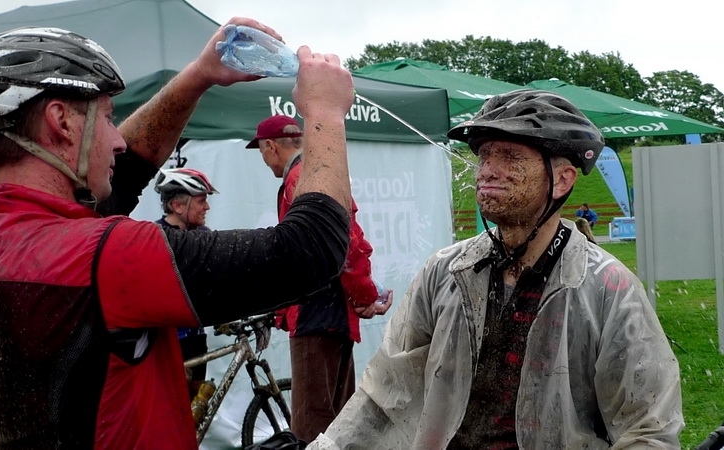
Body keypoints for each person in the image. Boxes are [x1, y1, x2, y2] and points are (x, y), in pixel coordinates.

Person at [0, 21, 357, 449]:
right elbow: (310, 248)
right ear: (61, 121)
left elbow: (125, 172)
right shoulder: (109, 257)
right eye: (107, 117)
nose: (118, 141)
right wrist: (324, 113)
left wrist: (199, 76)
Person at [308, 90, 683, 449]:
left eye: (510, 157)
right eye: (485, 155)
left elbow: (648, 430)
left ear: (563, 180)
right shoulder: (445, 272)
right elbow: (383, 394)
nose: (487, 170)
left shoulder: (606, 287)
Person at [248, 114, 393, 442]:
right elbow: (351, 243)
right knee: (339, 420)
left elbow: (347, 247)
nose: (264, 160)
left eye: (261, 152)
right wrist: (365, 296)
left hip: (316, 315)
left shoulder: (299, 178)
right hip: (331, 314)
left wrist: (365, 296)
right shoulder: (319, 173)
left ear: (270, 146)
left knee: (312, 426)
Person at [153, 167, 218, 399]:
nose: (207, 207)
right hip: (167, 341)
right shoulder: (155, 238)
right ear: (178, 206)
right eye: (201, 201)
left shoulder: (205, 235)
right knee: (170, 407)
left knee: (197, 408)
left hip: (196, 338)